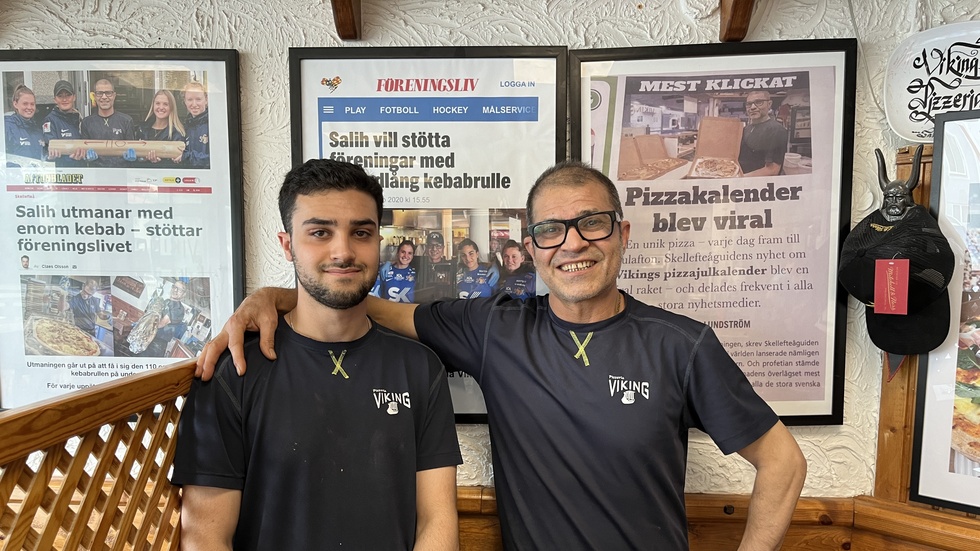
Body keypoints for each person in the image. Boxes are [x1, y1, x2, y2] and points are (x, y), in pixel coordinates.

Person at [199, 160, 807, 550]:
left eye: (592, 224)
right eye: (551, 231)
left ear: (623, 233)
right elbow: (359, 304)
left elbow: (782, 462)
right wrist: (272, 296)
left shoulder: (682, 343)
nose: (572, 244)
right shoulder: (495, 330)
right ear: (532, 248)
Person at [173, 159, 461, 550]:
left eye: (361, 232)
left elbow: (437, 520)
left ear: (378, 241)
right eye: (320, 232)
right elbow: (206, 537)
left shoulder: (418, 367)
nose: (343, 251)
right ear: (287, 244)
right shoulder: (234, 370)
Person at [79, 79, 136, 167]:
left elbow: (133, 148)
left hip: (121, 175)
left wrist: (132, 156)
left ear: (114, 95)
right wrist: (86, 156)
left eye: (108, 93)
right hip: (95, 175)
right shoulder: (87, 123)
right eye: (99, 93)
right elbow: (83, 151)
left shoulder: (126, 121)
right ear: (94, 96)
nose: (104, 97)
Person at [738, 90, 788, 177]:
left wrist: (738, 178)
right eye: (749, 104)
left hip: (758, 185)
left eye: (759, 102)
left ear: (769, 104)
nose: (752, 107)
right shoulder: (746, 128)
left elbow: (772, 170)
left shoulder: (776, 130)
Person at [136, 90, 186, 166]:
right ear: (153, 105)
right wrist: (143, 158)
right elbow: (134, 157)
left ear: (171, 107)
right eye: (158, 103)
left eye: (165, 104)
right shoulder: (142, 129)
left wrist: (162, 161)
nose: (161, 107)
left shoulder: (178, 133)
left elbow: (179, 163)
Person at [42, 80, 85, 167]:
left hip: (80, 172)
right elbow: (49, 149)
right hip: (62, 172)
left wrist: (86, 155)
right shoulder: (50, 120)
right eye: (60, 96)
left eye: (68, 95)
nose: (64, 99)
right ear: (55, 99)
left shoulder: (80, 119)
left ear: (74, 97)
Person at [4, 84, 43, 165]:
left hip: (34, 176)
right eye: (25, 103)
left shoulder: (37, 128)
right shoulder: (6, 126)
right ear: (15, 104)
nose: (29, 107)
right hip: (14, 177)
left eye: (32, 104)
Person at [414, 231, 454, 301]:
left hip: (443, 306)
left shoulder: (449, 267)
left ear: (443, 248)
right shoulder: (419, 266)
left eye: (438, 246)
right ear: (426, 248)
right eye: (430, 245)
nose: (434, 249)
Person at [181, 81, 210, 169]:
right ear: (185, 101)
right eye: (190, 100)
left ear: (206, 100)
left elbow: (216, 158)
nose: (194, 104)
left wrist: (187, 157)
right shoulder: (184, 126)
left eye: (198, 99)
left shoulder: (213, 124)